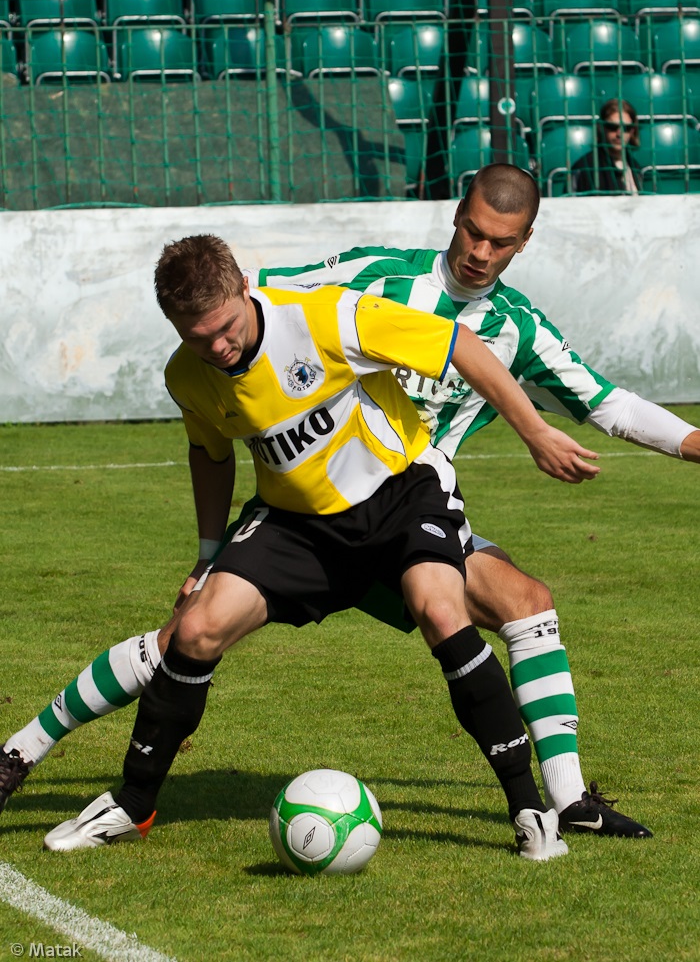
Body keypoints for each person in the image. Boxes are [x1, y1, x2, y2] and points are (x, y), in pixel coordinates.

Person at [5, 164, 694, 834]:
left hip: (406, 508)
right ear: (456, 216)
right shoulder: (367, 277)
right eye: (473, 232)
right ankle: (27, 749)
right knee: (184, 637)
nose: (482, 252)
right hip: (306, 515)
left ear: (526, 241)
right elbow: (262, 302)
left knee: (525, 602)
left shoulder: (519, 329)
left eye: (501, 242)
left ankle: (565, 800)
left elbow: (610, 404)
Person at [571, 98, 643, 195]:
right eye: (613, 127)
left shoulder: (635, 167)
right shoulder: (585, 168)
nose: (619, 133)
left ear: (632, 131)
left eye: (626, 128)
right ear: (601, 127)